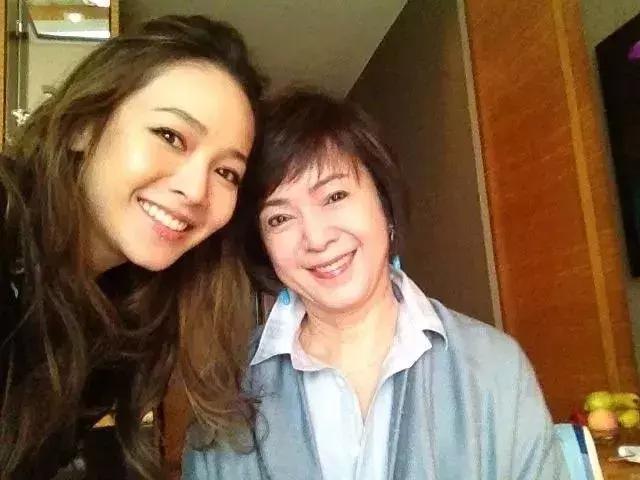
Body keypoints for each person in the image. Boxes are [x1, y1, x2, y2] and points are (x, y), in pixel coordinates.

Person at [183, 90, 570, 479]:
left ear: (384, 205)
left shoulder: (495, 368)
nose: (316, 238)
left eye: (334, 196)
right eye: (279, 218)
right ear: (263, 246)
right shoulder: (224, 396)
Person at [0, 15, 264, 479]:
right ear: (85, 125)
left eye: (227, 172)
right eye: (170, 136)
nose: (196, 190)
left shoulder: (125, 316)